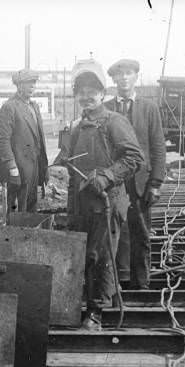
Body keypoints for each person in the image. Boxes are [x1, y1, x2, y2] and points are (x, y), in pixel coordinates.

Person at [53, 61, 143, 330]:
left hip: (107, 201)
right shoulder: (78, 127)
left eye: (92, 91)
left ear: (103, 94)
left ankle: (96, 314)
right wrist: (56, 168)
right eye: (81, 91)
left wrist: (106, 176)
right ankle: (97, 300)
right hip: (81, 203)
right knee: (84, 254)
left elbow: (134, 158)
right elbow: (68, 160)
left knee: (100, 254)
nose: (86, 96)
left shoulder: (114, 122)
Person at [105, 58, 166, 290]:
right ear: (113, 80)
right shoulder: (107, 108)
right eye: (119, 75)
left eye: (128, 73)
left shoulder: (148, 108)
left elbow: (158, 147)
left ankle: (141, 283)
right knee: (115, 232)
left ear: (136, 76)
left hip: (140, 182)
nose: (123, 78)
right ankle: (117, 281)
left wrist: (156, 183)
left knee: (141, 232)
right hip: (114, 182)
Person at [0, 69, 48, 215]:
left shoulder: (34, 106)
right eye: (28, 83)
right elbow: (2, 141)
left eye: (34, 83)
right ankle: (14, 235)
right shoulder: (9, 107)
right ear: (18, 86)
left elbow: (40, 138)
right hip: (18, 168)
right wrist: (12, 167)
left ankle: (29, 234)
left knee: (31, 206)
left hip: (34, 166)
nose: (32, 86)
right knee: (17, 211)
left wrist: (44, 166)